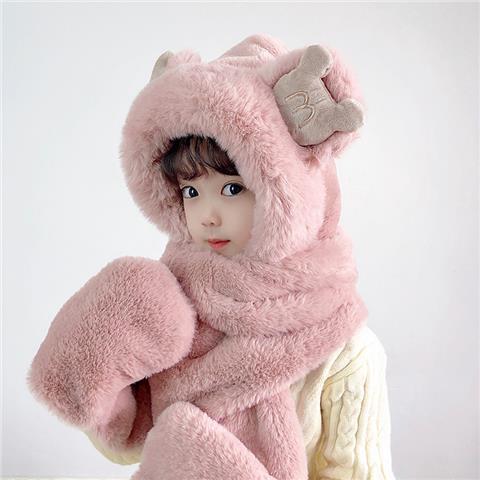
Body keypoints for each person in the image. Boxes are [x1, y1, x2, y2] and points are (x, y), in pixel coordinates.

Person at [27, 34, 396, 479]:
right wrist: (90, 363)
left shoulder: (346, 348)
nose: (207, 215)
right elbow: (132, 448)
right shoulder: (164, 310)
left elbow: (356, 473)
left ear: (291, 190)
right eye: (190, 191)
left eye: (232, 188)